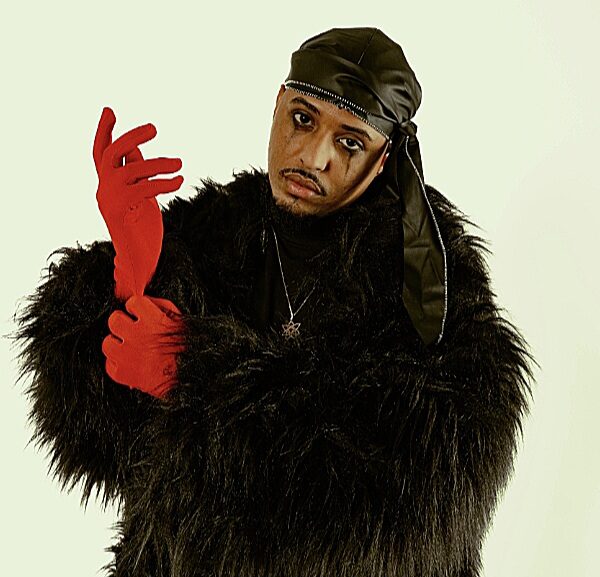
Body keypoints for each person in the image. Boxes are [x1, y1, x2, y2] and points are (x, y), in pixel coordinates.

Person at [15, 27, 534, 577]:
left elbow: (402, 505)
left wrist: (197, 377)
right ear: (277, 105)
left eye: (349, 143)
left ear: (384, 159)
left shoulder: (429, 281)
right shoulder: (216, 231)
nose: (312, 156)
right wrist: (133, 273)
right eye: (303, 119)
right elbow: (109, 445)